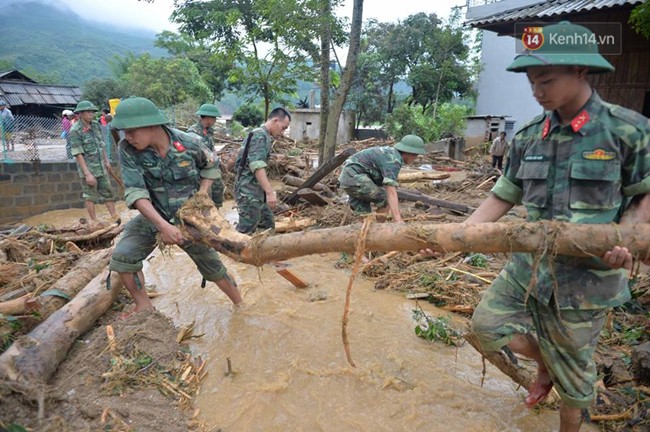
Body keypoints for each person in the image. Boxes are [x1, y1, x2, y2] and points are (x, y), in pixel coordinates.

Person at [423, 22, 650, 432]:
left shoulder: (627, 131)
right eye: (531, 82)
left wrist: (627, 239)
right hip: (529, 269)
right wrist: (453, 240)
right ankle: (546, 361)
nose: (537, 91)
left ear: (581, 71)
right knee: (486, 326)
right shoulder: (529, 136)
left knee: (575, 384)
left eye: (546, 80)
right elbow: (501, 197)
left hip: (586, 280)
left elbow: (643, 194)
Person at [108, 96, 242, 314]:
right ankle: (143, 306)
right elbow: (136, 192)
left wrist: (202, 194)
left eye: (131, 131)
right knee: (124, 257)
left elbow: (211, 164)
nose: (127, 137)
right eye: (124, 132)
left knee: (214, 269)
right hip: (154, 216)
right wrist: (162, 226)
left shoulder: (189, 142)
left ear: (151, 124)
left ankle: (240, 304)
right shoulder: (127, 149)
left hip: (190, 219)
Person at [338, 135, 426, 223]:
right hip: (356, 178)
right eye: (416, 155)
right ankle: (381, 226)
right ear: (410, 153)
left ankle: (363, 231)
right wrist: (398, 220)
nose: (415, 158)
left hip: (349, 179)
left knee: (364, 215)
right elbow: (390, 190)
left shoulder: (390, 153)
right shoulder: (392, 160)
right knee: (386, 199)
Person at [234, 107, 291, 234]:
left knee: (267, 224)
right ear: (276, 120)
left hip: (256, 191)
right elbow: (257, 165)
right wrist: (270, 192)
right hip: (248, 192)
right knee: (246, 231)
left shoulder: (264, 135)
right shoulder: (260, 135)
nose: (283, 132)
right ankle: (234, 251)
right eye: (283, 127)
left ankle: (261, 253)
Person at [69, 100, 119, 225]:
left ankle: (114, 216)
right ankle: (94, 221)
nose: (91, 114)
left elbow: (101, 145)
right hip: (89, 169)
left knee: (108, 191)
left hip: (101, 166)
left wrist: (106, 161)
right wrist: (87, 174)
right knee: (90, 195)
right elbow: (78, 153)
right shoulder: (75, 130)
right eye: (88, 111)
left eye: (92, 111)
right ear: (80, 114)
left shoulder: (96, 125)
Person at [187, 103, 225, 208]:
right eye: (214, 118)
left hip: (211, 171)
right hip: (202, 173)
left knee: (216, 197)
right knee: (206, 200)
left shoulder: (207, 132)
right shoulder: (193, 133)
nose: (215, 121)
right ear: (208, 118)